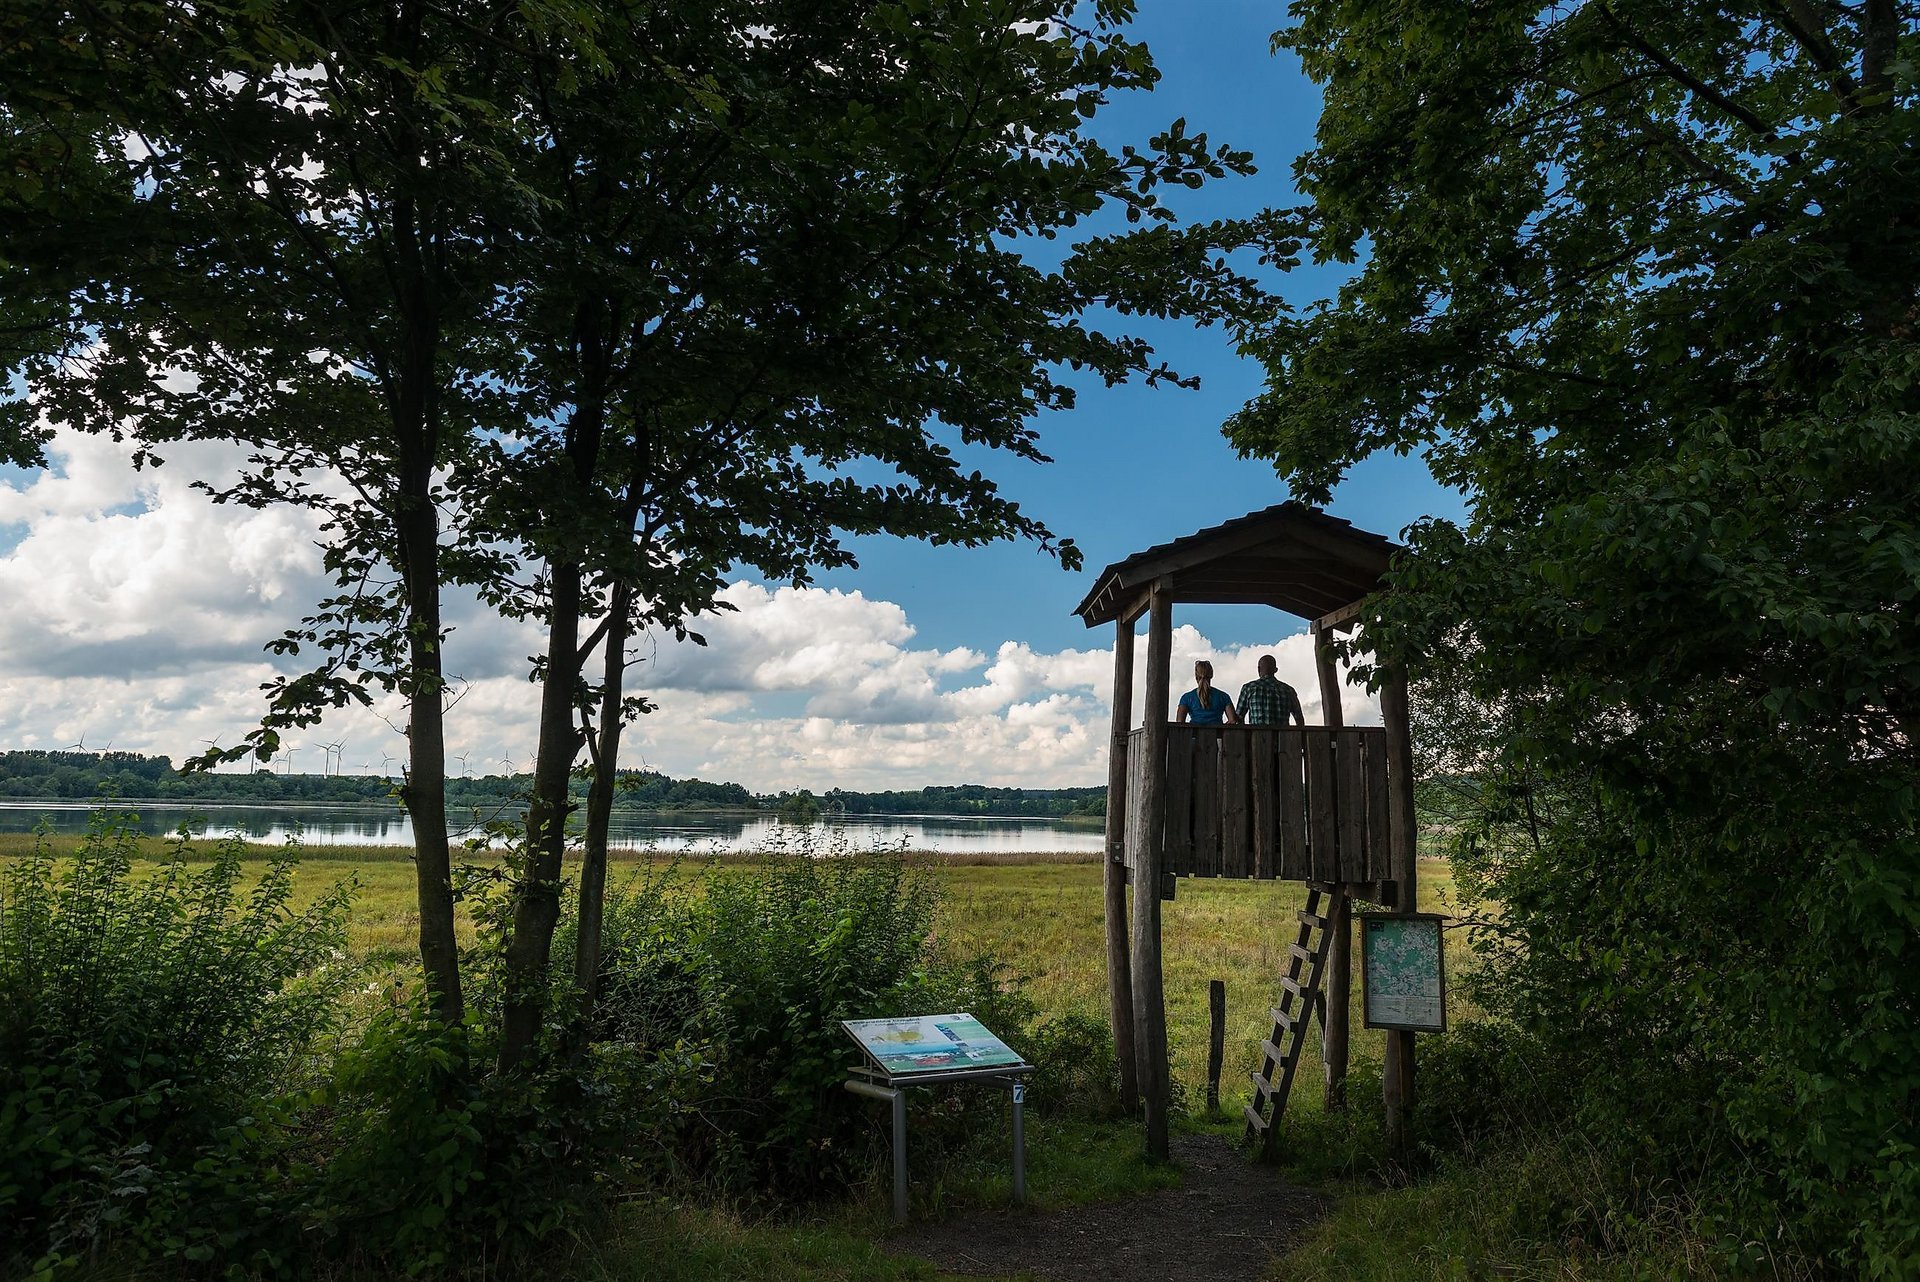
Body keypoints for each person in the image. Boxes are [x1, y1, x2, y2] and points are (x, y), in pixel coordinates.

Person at [1236, 654, 1306, 727]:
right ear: (1276, 670)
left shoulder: (1248, 688)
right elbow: (1299, 718)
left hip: (1257, 736)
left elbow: (1239, 717)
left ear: (1259, 669)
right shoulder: (1288, 690)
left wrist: (1245, 735)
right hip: (1283, 737)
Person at [1176, 659, 1239, 725]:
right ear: (1211, 675)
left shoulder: (1186, 697)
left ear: (1196, 676)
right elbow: (1232, 720)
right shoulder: (1223, 696)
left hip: (1194, 734)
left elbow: (1179, 722)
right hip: (1217, 734)